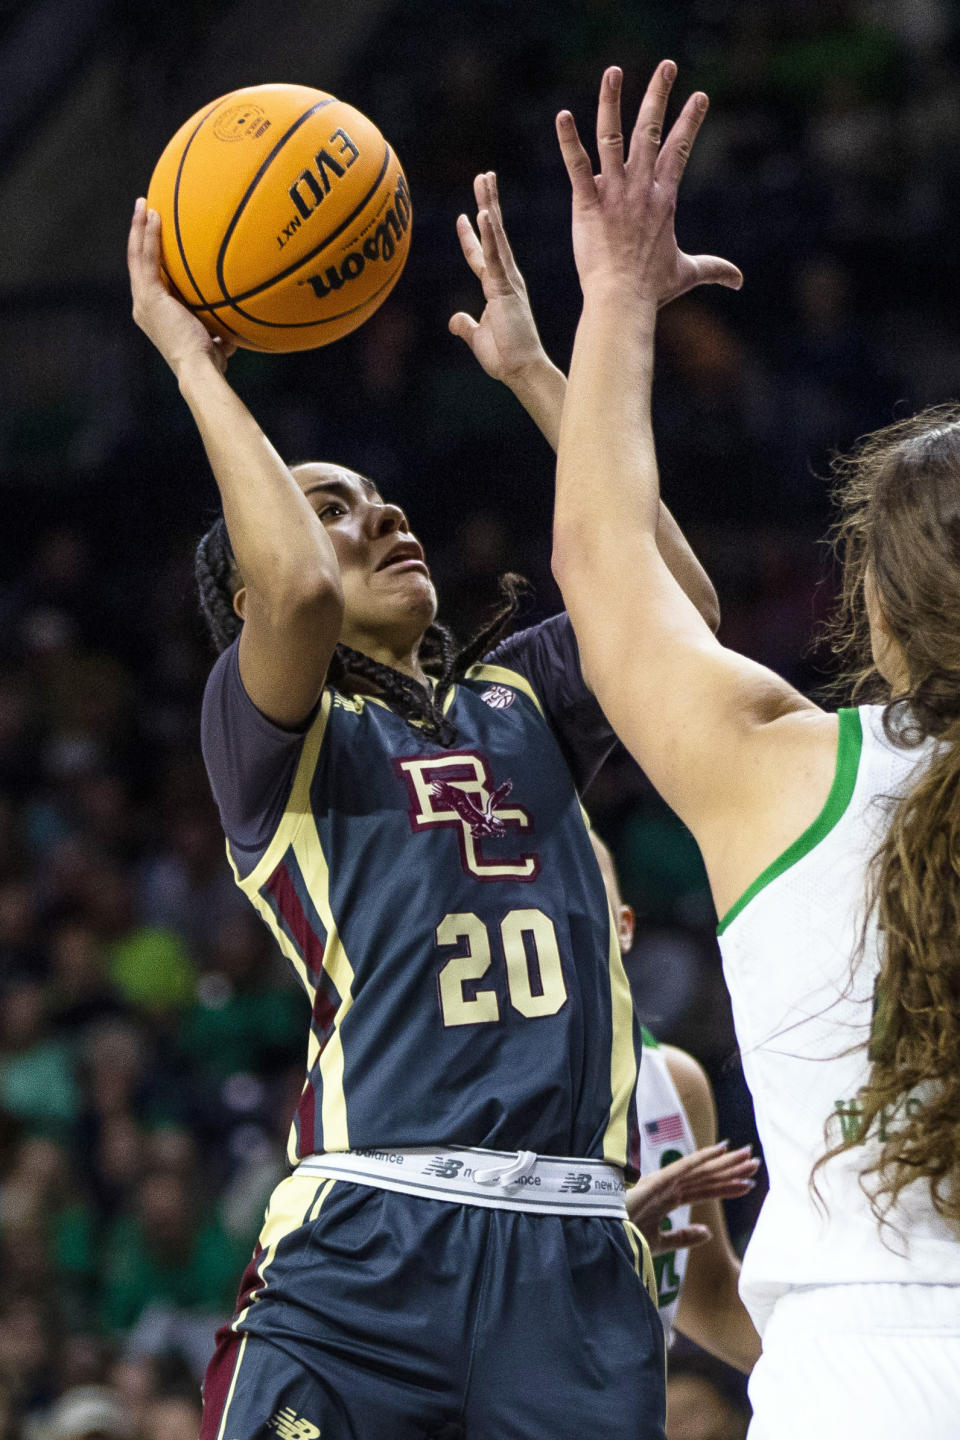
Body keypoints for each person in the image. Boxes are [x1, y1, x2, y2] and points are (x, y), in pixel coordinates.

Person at [127, 169, 738, 1438]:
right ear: (250, 587)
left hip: (570, 1251)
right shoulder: (273, 740)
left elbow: (678, 607)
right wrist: (197, 366)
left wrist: (531, 371)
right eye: (326, 508)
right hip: (366, 1246)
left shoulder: (521, 697)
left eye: (374, 496)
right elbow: (291, 594)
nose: (380, 514)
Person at [549, 59, 960, 1440]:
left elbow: (605, 565)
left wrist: (613, 302)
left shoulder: (789, 774)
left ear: (878, 609)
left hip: (852, 1381)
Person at [591, 831, 761, 1374]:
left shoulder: (673, 1082)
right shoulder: (452, 1086)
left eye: (578, 903)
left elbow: (708, 1297)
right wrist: (597, 1241)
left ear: (624, 926)